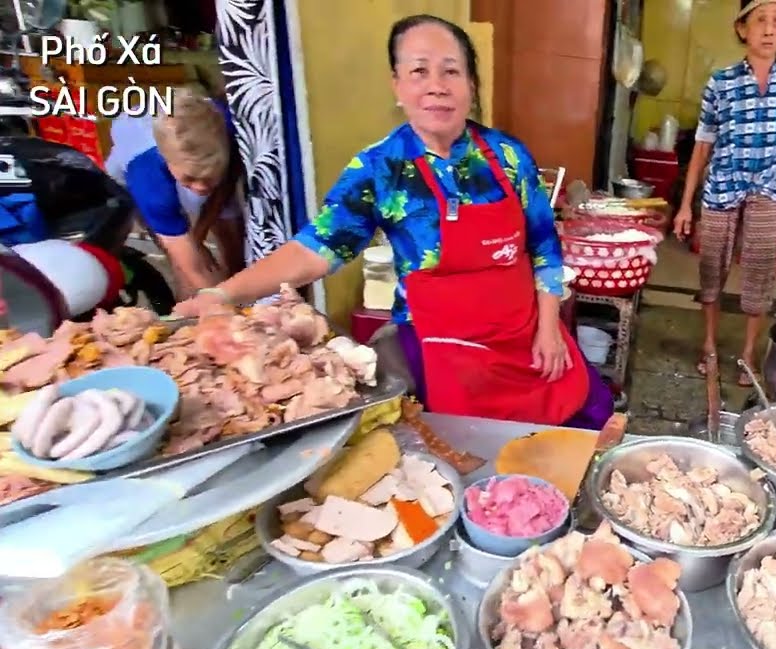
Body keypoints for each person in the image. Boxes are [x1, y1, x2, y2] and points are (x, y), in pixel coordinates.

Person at [174, 14, 613, 430]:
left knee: (585, 421)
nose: (436, 87)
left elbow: (543, 246)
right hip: (440, 350)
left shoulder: (507, 157)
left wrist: (549, 329)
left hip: (525, 339)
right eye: (419, 71)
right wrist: (223, 292)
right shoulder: (380, 169)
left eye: (451, 71)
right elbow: (317, 247)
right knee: (459, 455)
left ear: (472, 86)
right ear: (397, 86)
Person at [672, 0, 776, 387]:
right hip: (721, 187)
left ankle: (748, 354)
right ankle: (710, 347)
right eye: (760, 21)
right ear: (742, 30)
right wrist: (686, 205)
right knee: (711, 269)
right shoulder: (721, 82)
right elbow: (702, 146)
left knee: (760, 274)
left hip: (768, 190)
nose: (768, 29)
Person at [105, 87, 244, 299]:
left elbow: (224, 187)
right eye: (190, 179)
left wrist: (199, 234)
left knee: (233, 243)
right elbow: (195, 271)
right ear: (167, 162)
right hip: (132, 159)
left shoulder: (228, 130)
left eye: (209, 177)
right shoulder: (148, 178)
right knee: (185, 266)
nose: (200, 187)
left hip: (200, 129)